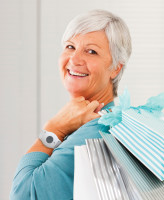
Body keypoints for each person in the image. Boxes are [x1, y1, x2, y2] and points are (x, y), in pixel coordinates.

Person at [10, 9, 132, 200]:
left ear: (115, 68)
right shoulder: (113, 120)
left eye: (91, 51)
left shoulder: (96, 132)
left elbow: (23, 194)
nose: (74, 59)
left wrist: (53, 129)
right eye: (70, 46)